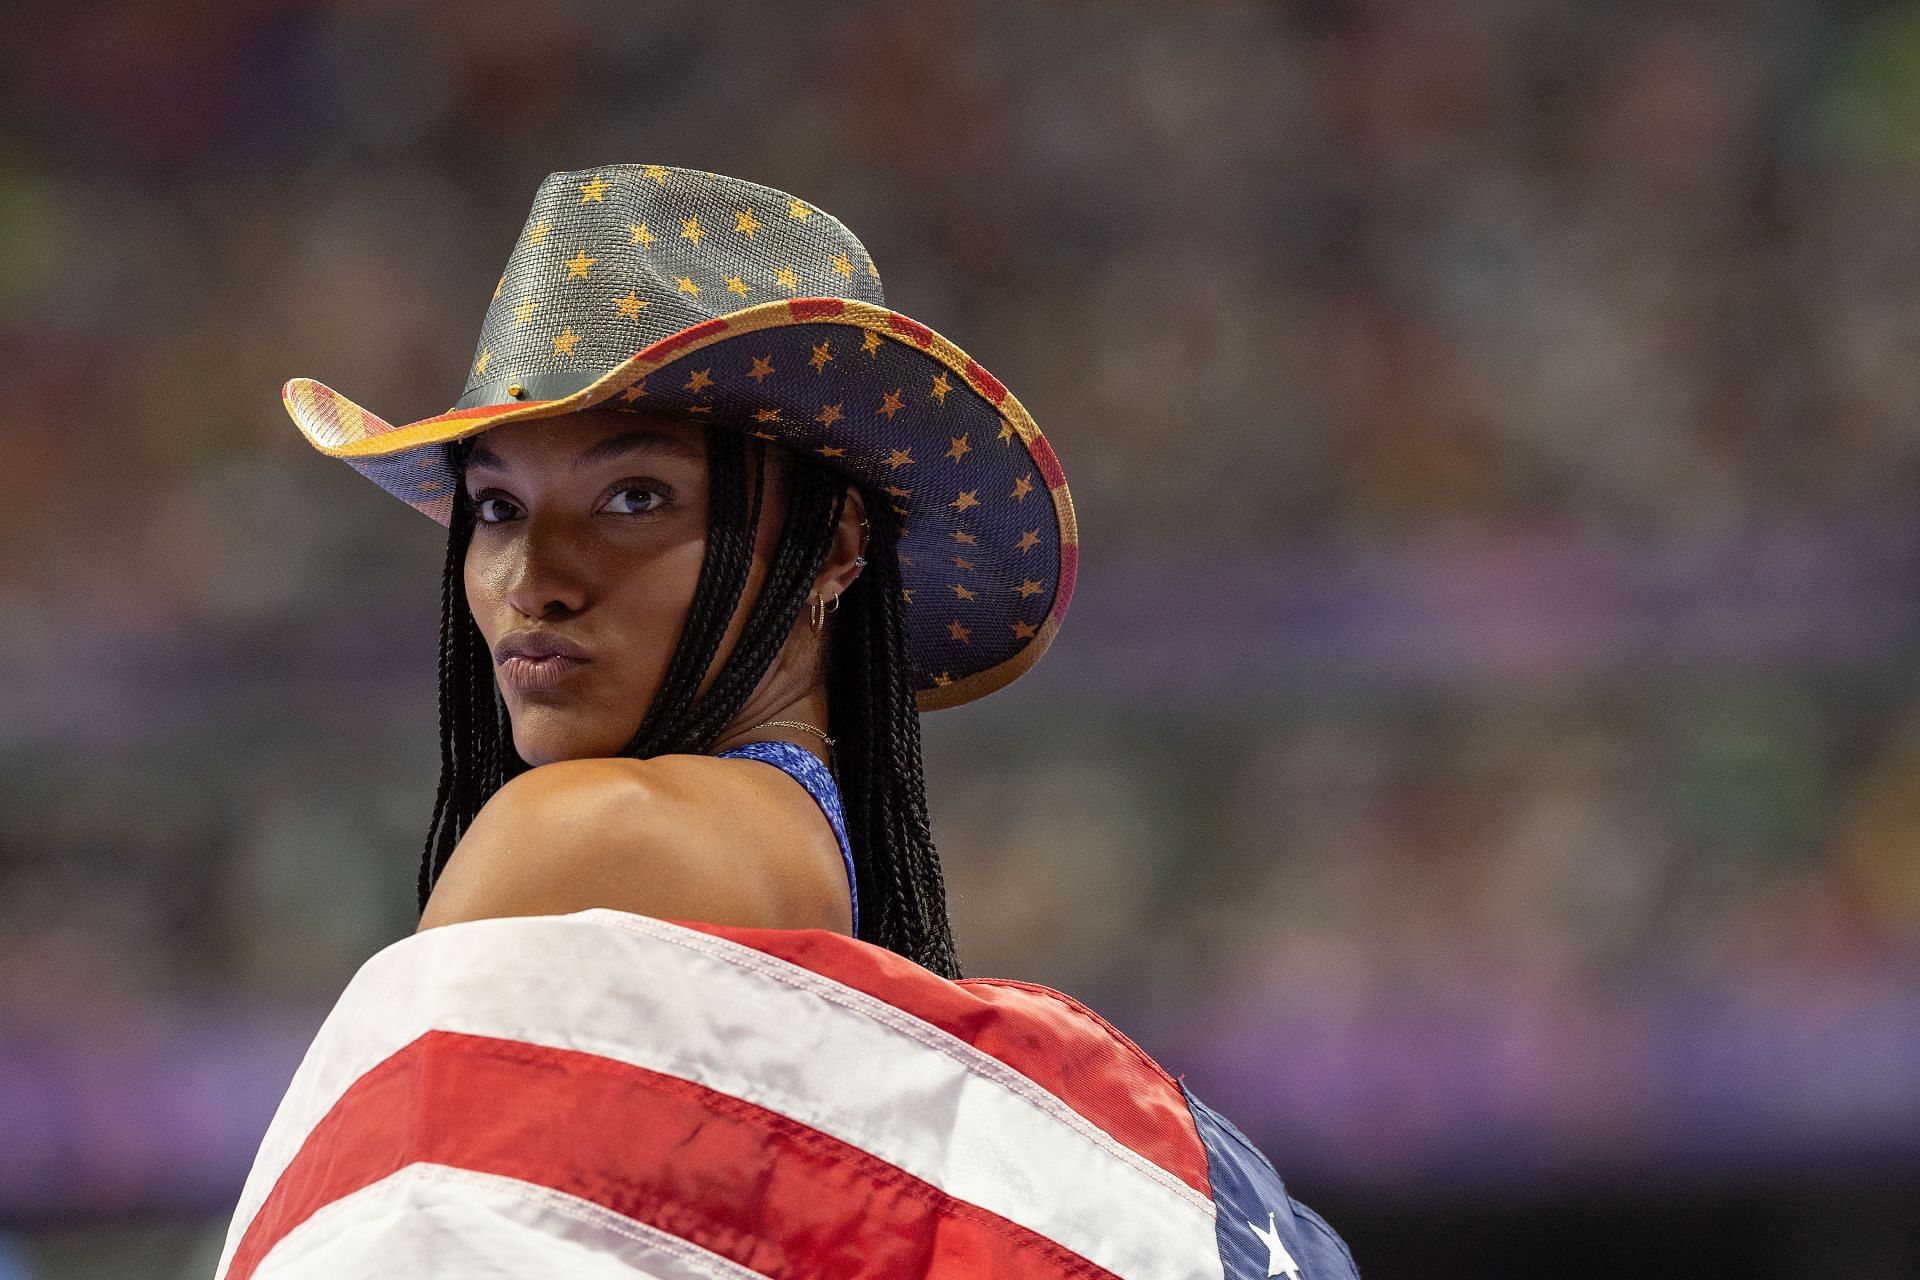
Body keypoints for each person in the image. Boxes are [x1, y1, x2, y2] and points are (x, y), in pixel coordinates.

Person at [219, 164, 1359, 1279]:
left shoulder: (589, 837)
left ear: (837, 545)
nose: (534, 576)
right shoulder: (805, 890)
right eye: (497, 507)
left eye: (634, 497)